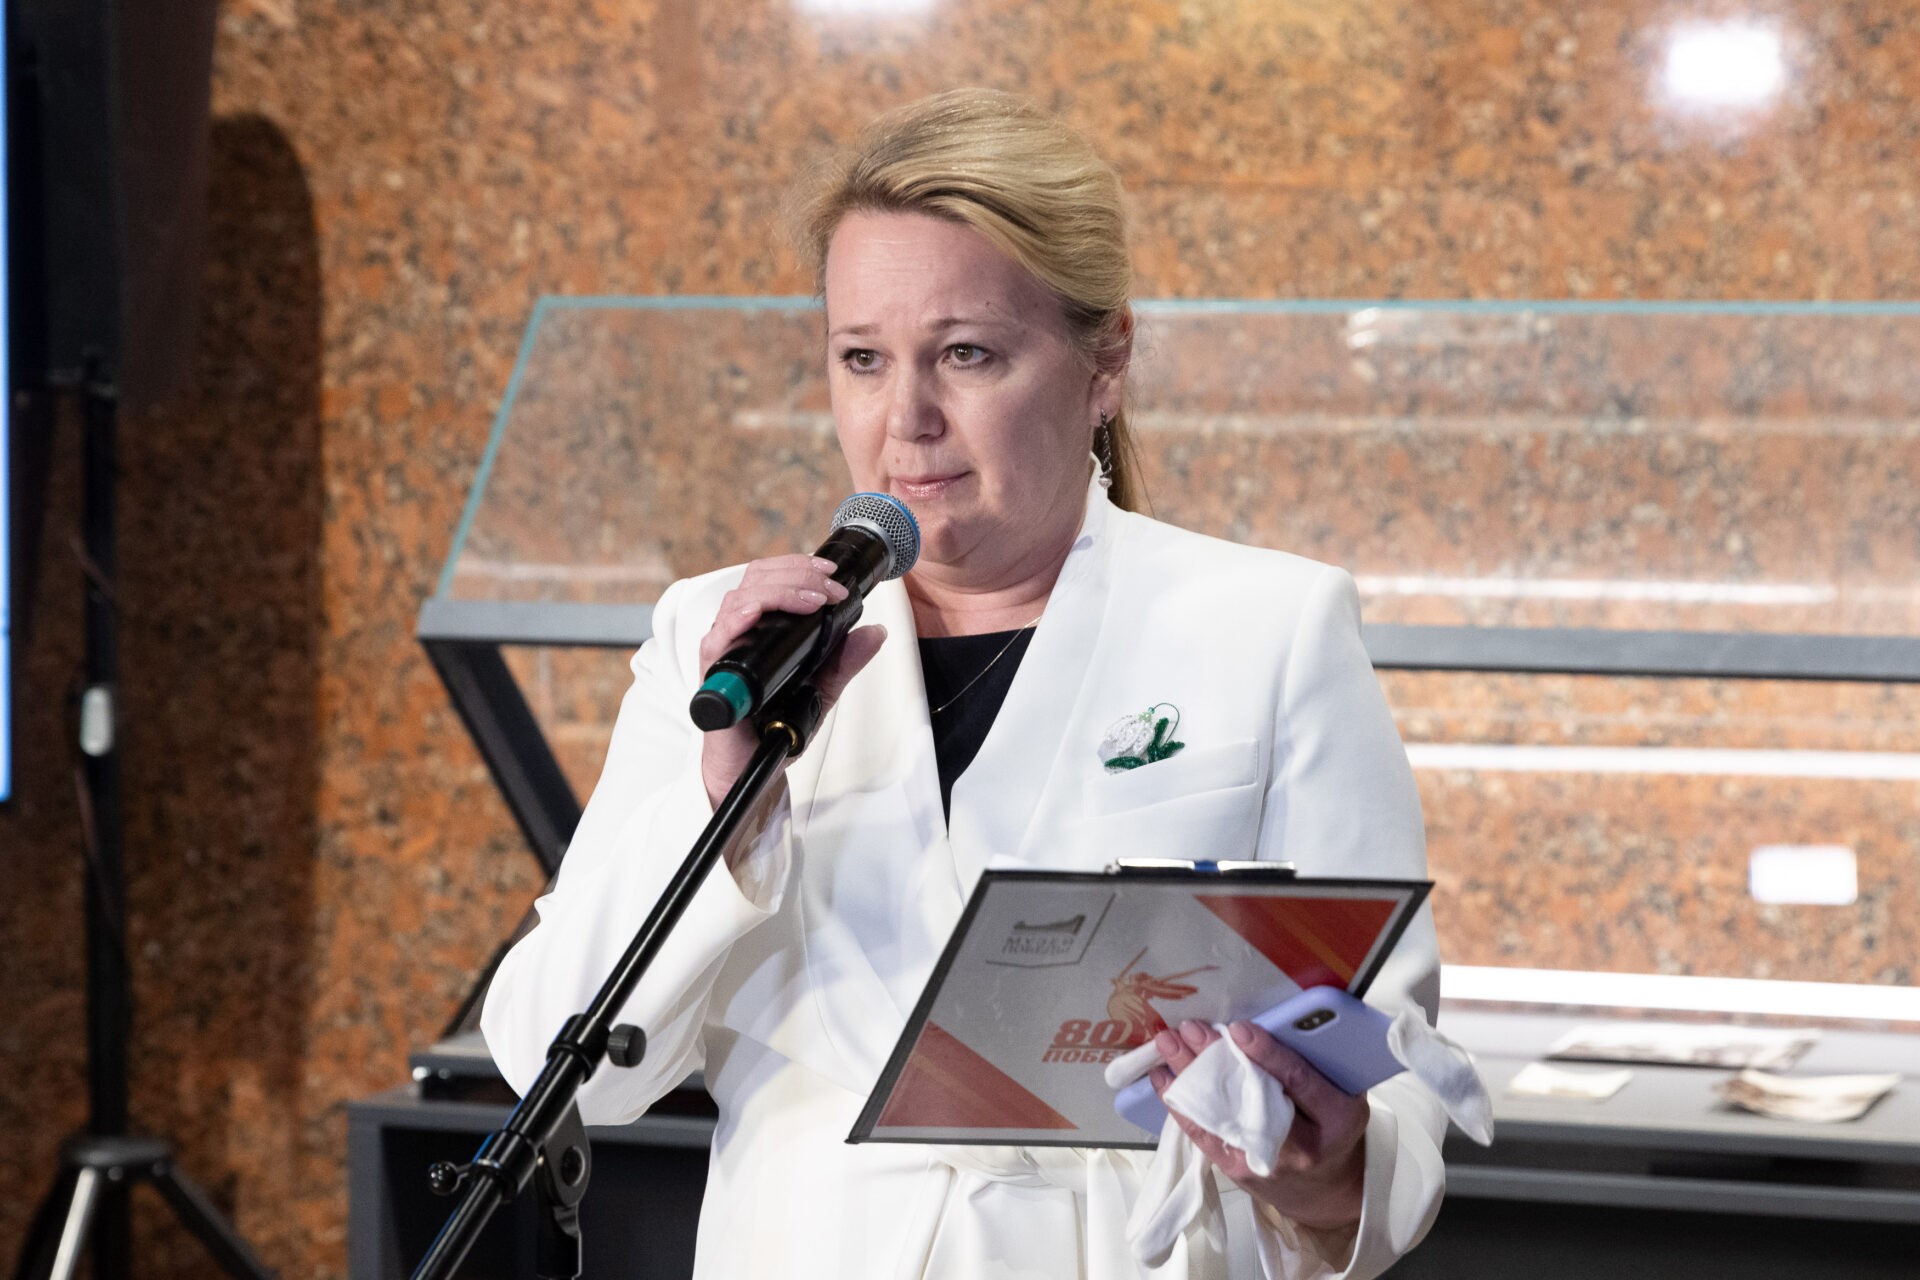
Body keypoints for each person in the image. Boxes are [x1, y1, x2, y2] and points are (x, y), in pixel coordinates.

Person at [481, 88, 1446, 1279]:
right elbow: (562, 1064)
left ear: (1106, 360)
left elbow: (1394, 1089)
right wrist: (726, 805)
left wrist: (1323, 1169)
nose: (906, 419)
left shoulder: (1269, 627)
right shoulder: (724, 644)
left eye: (966, 354)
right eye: (862, 358)